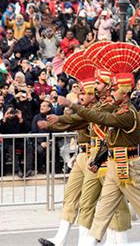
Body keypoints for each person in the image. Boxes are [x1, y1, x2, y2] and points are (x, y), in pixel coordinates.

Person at [58, 46, 140, 245]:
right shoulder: (119, 110)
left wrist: (73, 106)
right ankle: (90, 242)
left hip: (129, 166)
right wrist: (99, 159)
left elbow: (100, 117)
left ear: (124, 93)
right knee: (103, 209)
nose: (112, 91)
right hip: (115, 164)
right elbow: (109, 141)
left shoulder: (127, 113)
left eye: (115, 89)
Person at [45, 65, 132, 245]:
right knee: (84, 201)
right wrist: (58, 121)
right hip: (89, 155)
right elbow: (79, 121)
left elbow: (86, 118)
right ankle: (74, 241)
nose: (82, 95)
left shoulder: (108, 107)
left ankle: (120, 241)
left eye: (98, 83)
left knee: (114, 204)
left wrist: (66, 112)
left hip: (105, 155)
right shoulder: (100, 106)